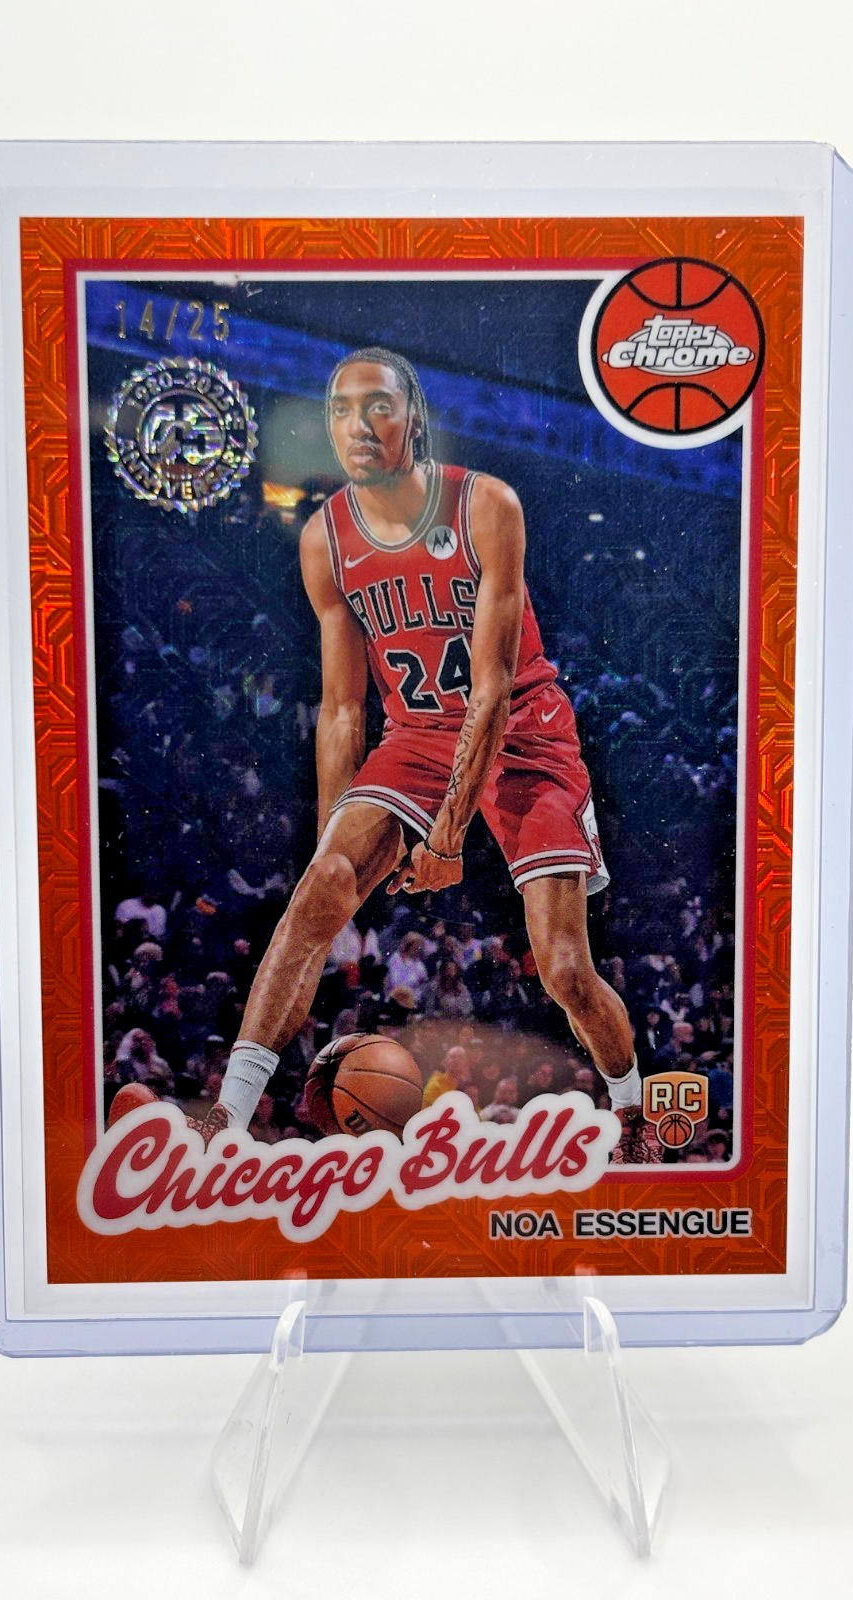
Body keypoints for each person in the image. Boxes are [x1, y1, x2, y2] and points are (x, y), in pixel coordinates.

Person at [200, 346, 652, 1157]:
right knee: (317, 893)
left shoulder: (486, 505)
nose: (358, 425)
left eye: (378, 405)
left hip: (523, 732)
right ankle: (226, 1119)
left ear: (414, 418)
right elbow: (343, 708)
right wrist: (334, 846)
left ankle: (634, 1115)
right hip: (414, 734)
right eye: (341, 409)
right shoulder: (326, 538)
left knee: (563, 970)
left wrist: (445, 838)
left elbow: (492, 688)